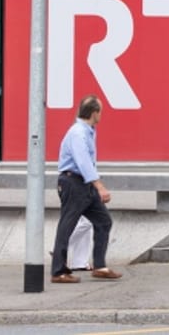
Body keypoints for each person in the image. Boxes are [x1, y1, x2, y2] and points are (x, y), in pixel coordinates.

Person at [50, 95, 122, 283]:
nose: (101, 115)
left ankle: (100, 266)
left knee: (103, 221)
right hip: (73, 182)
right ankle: (58, 272)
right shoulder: (78, 133)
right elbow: (83, 162)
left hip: (83, 184)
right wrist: (100, 186)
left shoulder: (87, 131)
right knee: (67, 225)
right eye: (100, 112)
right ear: (94, 112)